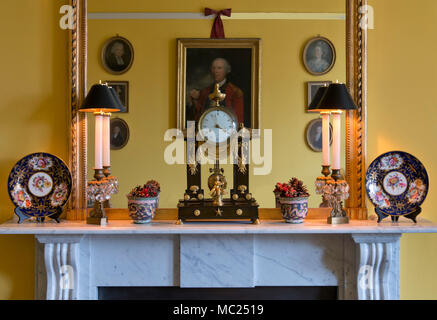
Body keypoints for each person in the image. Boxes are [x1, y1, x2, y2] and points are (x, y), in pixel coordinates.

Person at [189, 58, 244, 124]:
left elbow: (239, 119)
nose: (216, 71)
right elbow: (198, 115)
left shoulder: (235, 92)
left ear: (227, 70)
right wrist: (195, 100)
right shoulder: (205, 91)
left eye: (219, 68)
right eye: (213, 68)